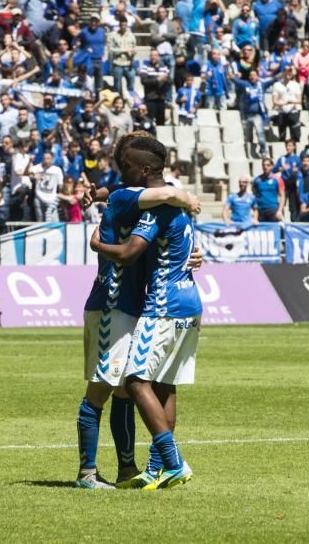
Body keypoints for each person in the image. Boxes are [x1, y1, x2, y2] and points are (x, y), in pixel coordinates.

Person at [77, 133, 201, 490]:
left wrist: (193, 252)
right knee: (103, 387)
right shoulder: (130, 197)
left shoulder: (138, 200)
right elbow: (164, 192)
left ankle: (130, 468)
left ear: (144, 169)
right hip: (111, 306)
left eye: (126, 166)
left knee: (127, 390)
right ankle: (87, 472)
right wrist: (186, 196)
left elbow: (159, 193)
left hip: (135, 307)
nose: (120, 171)